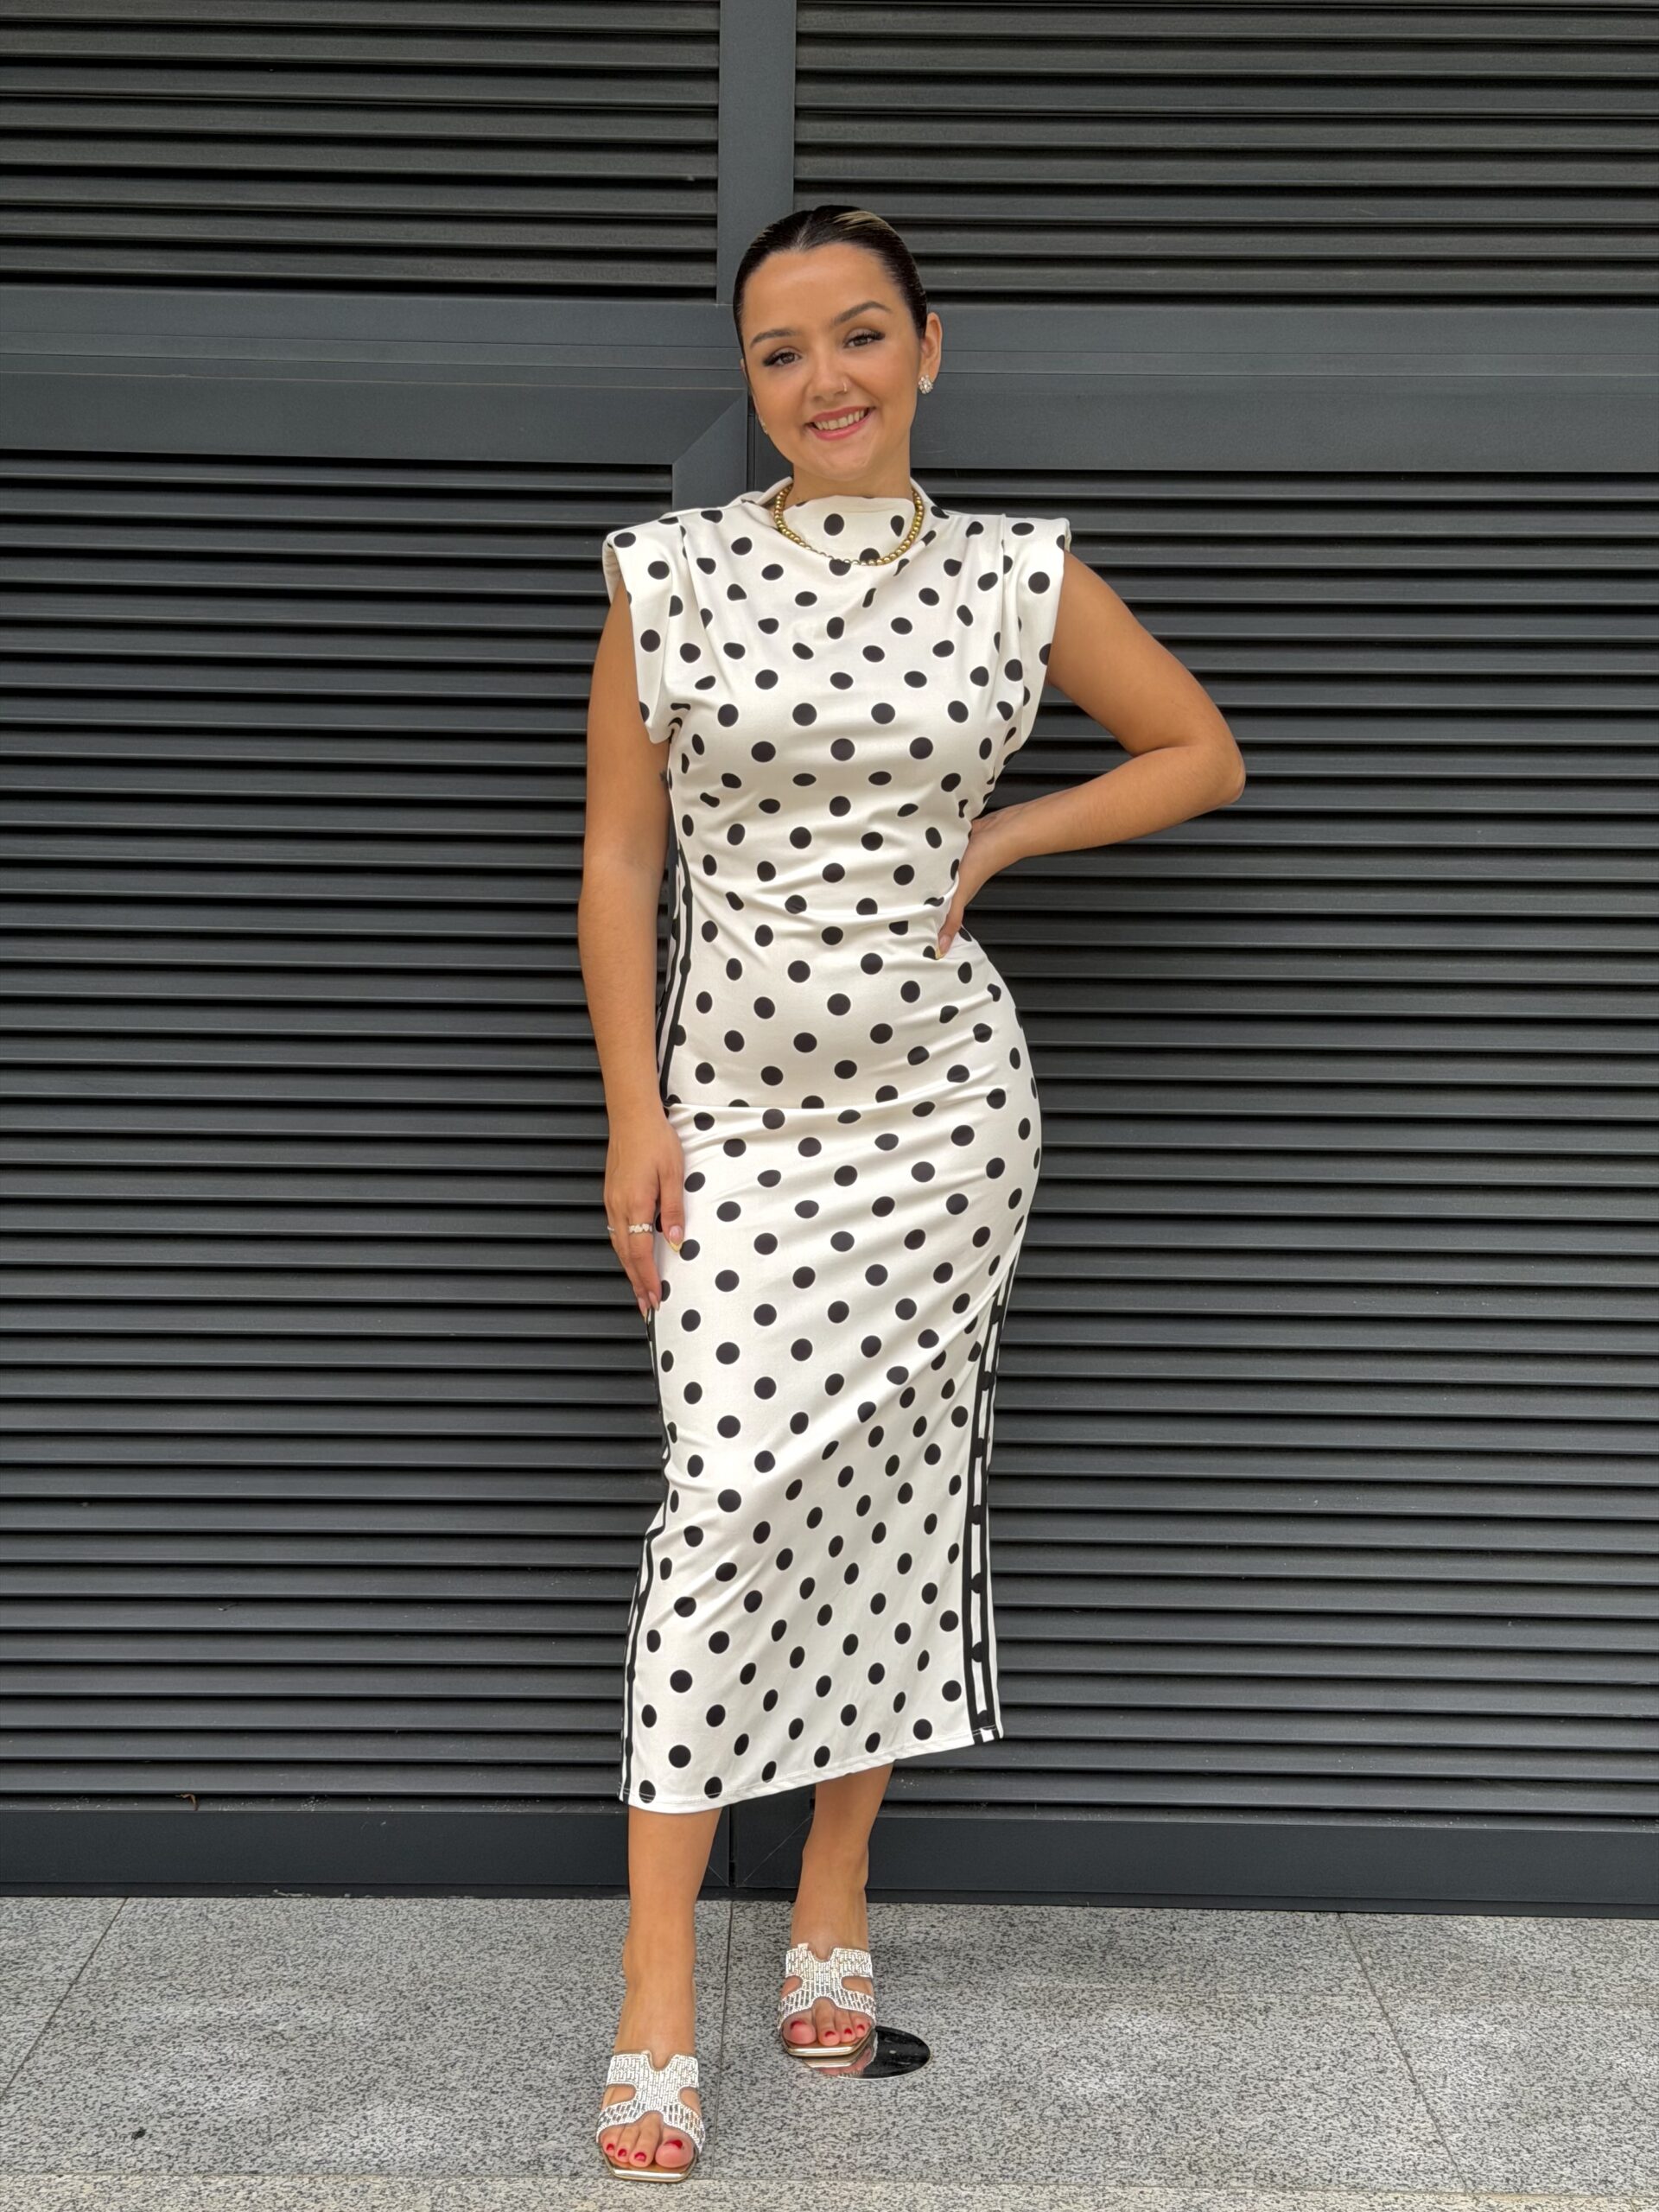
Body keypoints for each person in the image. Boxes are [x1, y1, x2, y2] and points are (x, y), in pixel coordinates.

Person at [578, 203, 1246, 2182]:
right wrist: (632, 1113)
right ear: (752, 380)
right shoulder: (668, 574)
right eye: (782, 352)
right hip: (730, 1120)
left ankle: (831, 1900)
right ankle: (653, 1988)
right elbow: (621, 862)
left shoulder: (1017, 573)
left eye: (861, 335)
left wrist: (1013, 834)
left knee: (889, 1494)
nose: (827, 381)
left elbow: (1200, 749)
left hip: (945, 1129)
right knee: (722, 1501)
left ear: (929, 347)